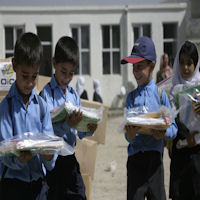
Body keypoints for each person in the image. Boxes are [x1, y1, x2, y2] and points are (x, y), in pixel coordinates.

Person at [40, 36, 98, 200]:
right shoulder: (46, 95)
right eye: (63, 72)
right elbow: (46, 134)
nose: (66, 77)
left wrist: (88, 129)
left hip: (70, 158)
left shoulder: (73, 95)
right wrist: (66, 124)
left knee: (80, 195)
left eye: (71, 73)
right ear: (54, 63)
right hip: (53, 160)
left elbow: (79, 133)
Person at [0, 32, 56, 200]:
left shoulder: (41, 106)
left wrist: (49, 155)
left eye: (34, 76)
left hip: (38, 186)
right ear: (14, 65)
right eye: (25, 76)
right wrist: (19, 159)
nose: (30, 83)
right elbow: (4, 151)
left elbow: (50, 146)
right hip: (12, 187)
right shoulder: (6, 108)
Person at [120, 36, 177, 200]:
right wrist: (129, 135)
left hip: (155, 164)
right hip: (135, 162)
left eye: (140, 67)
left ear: (152, 66)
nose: (136, 72)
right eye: (134, 68)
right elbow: (127, 132)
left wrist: (163, 133)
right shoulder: (130, 98)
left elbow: (172, 128)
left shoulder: (160, 96)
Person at [169, 41, 200, 200]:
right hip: (180, 154)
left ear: (196, 64)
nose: (186, 67)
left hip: (197, 154)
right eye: (182, 62)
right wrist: (184, 135)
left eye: (190, 63)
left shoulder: (199, 89)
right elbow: (172, 117)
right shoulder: (174, 89)